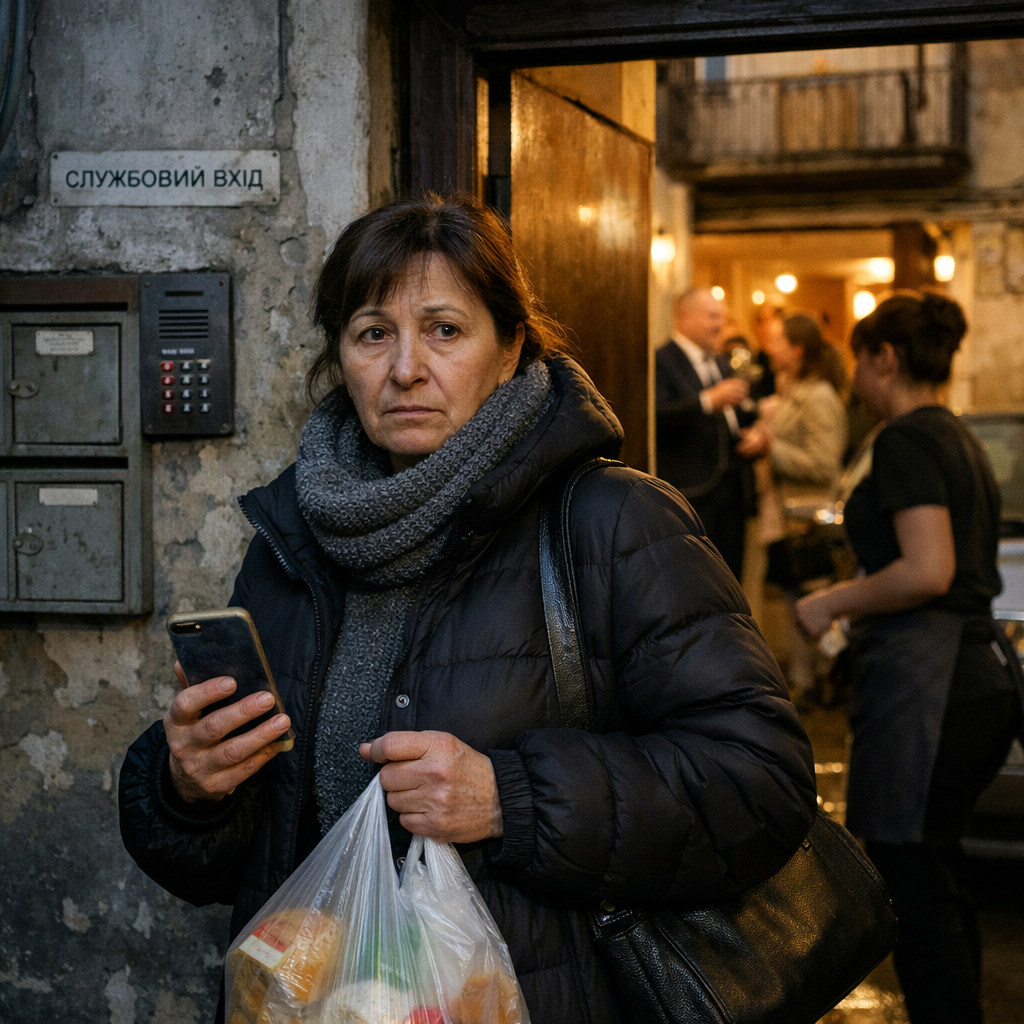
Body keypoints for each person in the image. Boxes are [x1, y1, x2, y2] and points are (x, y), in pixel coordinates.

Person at [119, 194, 817, 1024]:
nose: (406, 367)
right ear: (340, 354)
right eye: (373, 333)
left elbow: (761, 785)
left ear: (510, 344)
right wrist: (187, 788)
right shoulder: (291, 542)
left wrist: (509, 797)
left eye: (445, 330)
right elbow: (237, 859)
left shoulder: (612, 522)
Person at [793, 293, 1022, 1024]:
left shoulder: (906, 440)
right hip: (973, 673)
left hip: (936, 682)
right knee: (941, 875)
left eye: (860, 359)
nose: (855, 378)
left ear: (883, 358)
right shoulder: (954, 435)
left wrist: (833, 602)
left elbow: (930, 570)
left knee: (915, 881)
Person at [740, 314, 848, 705]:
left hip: (806, 519)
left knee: (808, 599)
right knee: (794, 600)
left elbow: (823, 462)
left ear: (798, 348)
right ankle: (807, 679)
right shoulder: (793, 391)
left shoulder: (818, 397)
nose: (770, 348)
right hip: (786, 517)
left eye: (778, 341)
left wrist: (771, 447)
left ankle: (818, 679)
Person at [655, 288, 764, 578]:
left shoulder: (721, 363)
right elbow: (656, 418)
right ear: (684, 317)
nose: (720, 326)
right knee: (696, 579)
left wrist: (757, 436)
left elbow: (737, 417)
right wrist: (707, 401)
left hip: (734, 491)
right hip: (692, 492)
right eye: (712, 317)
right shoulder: (661, 360)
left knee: (730, 579)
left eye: (722, 318)